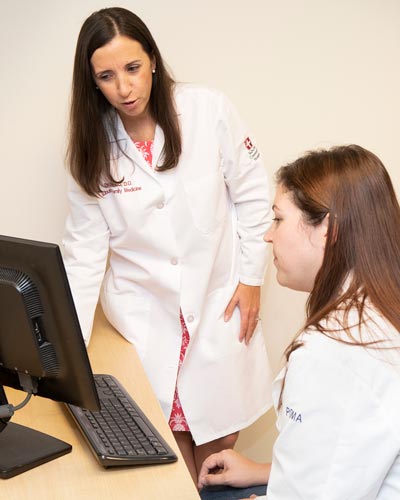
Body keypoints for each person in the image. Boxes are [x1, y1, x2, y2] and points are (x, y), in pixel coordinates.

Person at [62, 7, 272, 482]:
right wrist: (65, 352)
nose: (125, 88)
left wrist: (252, 278)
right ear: (92, 82)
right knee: (170, 476)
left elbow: (254, 194)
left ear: (153, 60)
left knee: (215, 469)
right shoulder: (92, 147)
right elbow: (83, 256)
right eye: (107, 76)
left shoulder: (207, 109)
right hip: (147, 323)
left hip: (217, 307)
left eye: (133, 68)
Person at [198, 144, 400, 499]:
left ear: (327, 229)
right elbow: (346, 457)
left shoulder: (333, 352)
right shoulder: (379, 305)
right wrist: (261, 472)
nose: (268, 234)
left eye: (278, 219)